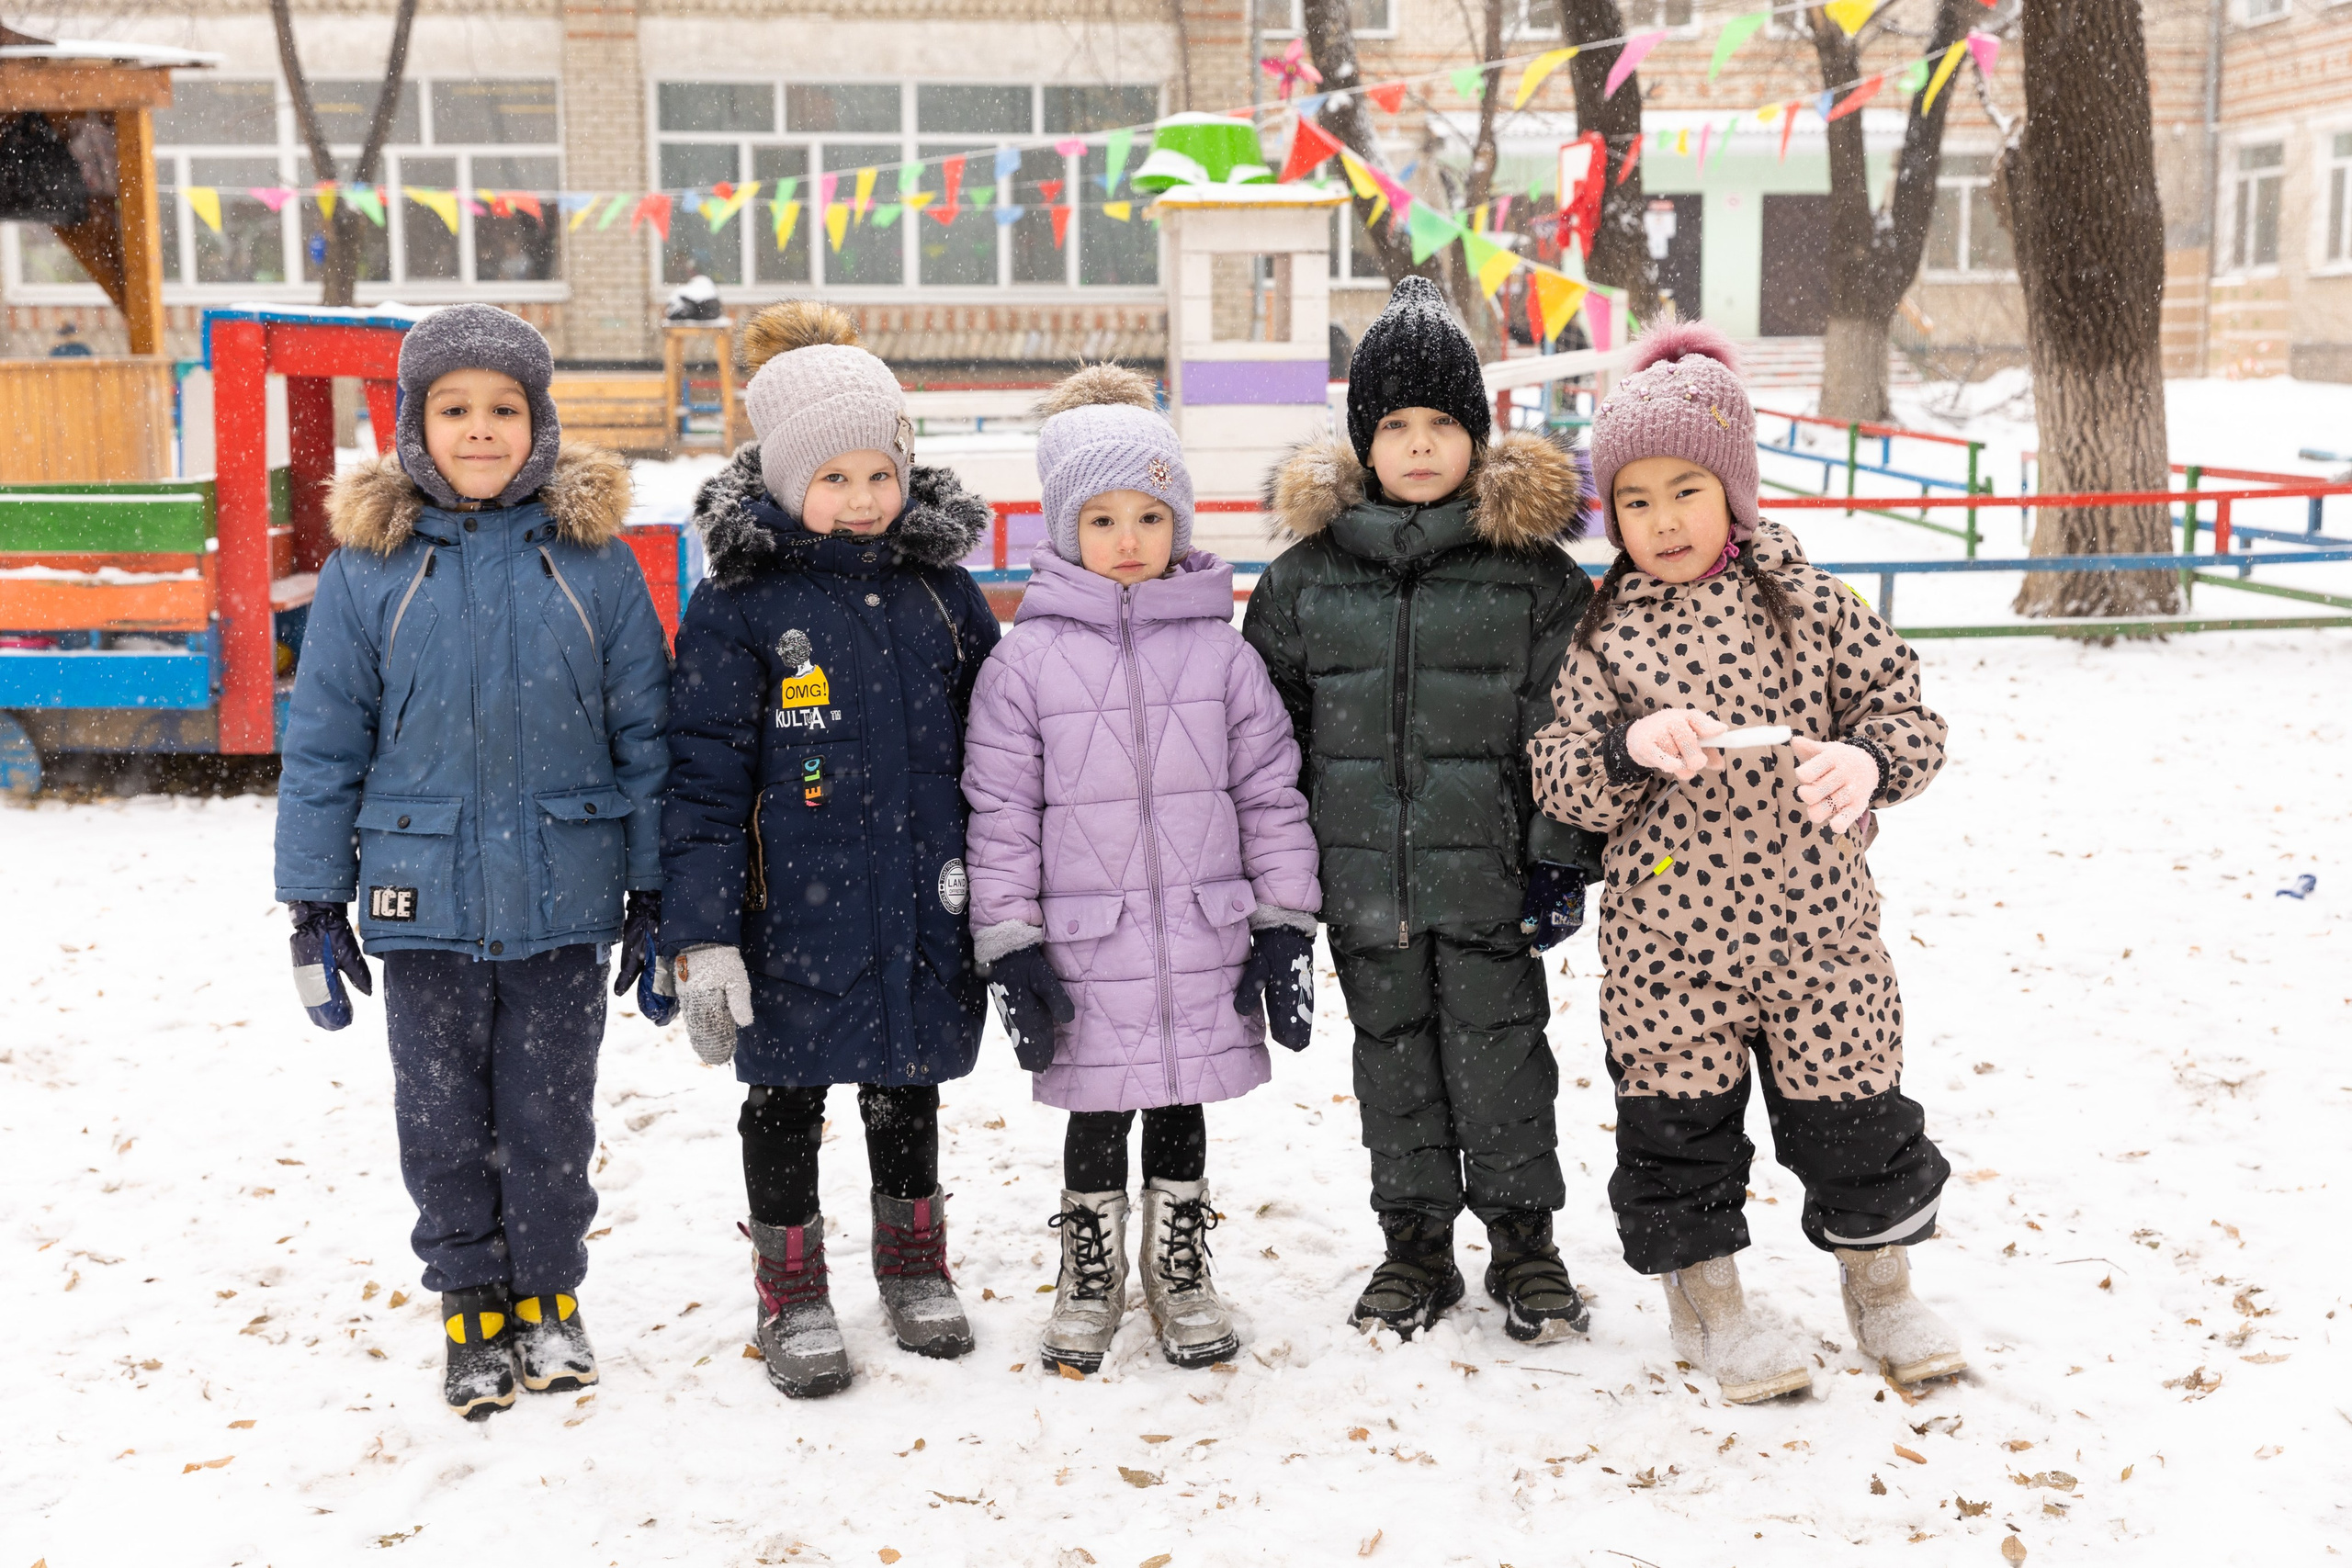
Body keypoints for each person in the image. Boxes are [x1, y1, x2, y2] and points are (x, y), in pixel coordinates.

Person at [1526, 319, 1962, 1404]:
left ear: (1734, 487)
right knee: (1681, 1136)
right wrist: (1625, 751)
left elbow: (1908, 718)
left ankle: (1882, 1290)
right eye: (1634, 498)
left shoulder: (1816, 606)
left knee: (1855, 1120)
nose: (1661, 520)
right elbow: (1558, 770)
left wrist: (1865, 764)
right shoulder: (1597, 633)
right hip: (1669, 947)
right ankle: (1710, 1311)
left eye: (1686, 489)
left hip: (1821, 938)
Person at [274, 303, 670, 1420]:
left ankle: (548, 1295)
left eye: (505, 409)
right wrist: (311, 897)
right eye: (456, 409)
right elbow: (325, 743)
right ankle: (472, 1307)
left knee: (551, 1116)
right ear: (415, 425)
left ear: (539, 422)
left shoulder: (593, 565)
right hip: (423, 895)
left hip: (565, 894)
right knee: (442, 1117)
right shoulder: (369, 572)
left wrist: (652, 893)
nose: (481, 430)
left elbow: (644, 731)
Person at [1243, 276, 1602, 1343]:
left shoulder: (1531, 578)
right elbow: (1264, 739)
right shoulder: (1304, 581)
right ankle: (1413, 1249)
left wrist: (1555, 859)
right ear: (1361, 440)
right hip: (1362, 885)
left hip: (1490, 880)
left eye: (1440, 422)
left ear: (1476, 436)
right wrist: (1283, 885)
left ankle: (1525, 1248)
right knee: (1393, 1065)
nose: (1416, 444)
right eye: (1392, 424)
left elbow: (1566, 725)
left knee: (1500, 1063)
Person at [661, 301, 1000, 1399]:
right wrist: (704, 937)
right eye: (833, 478)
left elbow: (1000, 749)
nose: (860, 499)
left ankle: (912, 1263)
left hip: (920, 895)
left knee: (907, 1087)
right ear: (784, 483)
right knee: (786, 1097)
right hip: (789, 912)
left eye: (879, 474)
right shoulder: (740, 608)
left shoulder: (944, 598)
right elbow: (704, 785)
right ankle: (791, 1285)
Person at [961, 365, 1321, 1373]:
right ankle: (1090, 1267)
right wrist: (1009, 939)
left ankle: (1178, 1263)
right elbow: (1000, 816)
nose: (1128, 540)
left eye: (1150, 516)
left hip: (1204, 932)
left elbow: (1268, 793)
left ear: (1180, 523)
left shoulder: (1224, 654)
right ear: (1064, 529)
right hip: (1085, 942)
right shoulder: (1022, 664)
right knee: (1095, 1106)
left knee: (1178, 1104)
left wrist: (1285, 919)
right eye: (1103, 518)